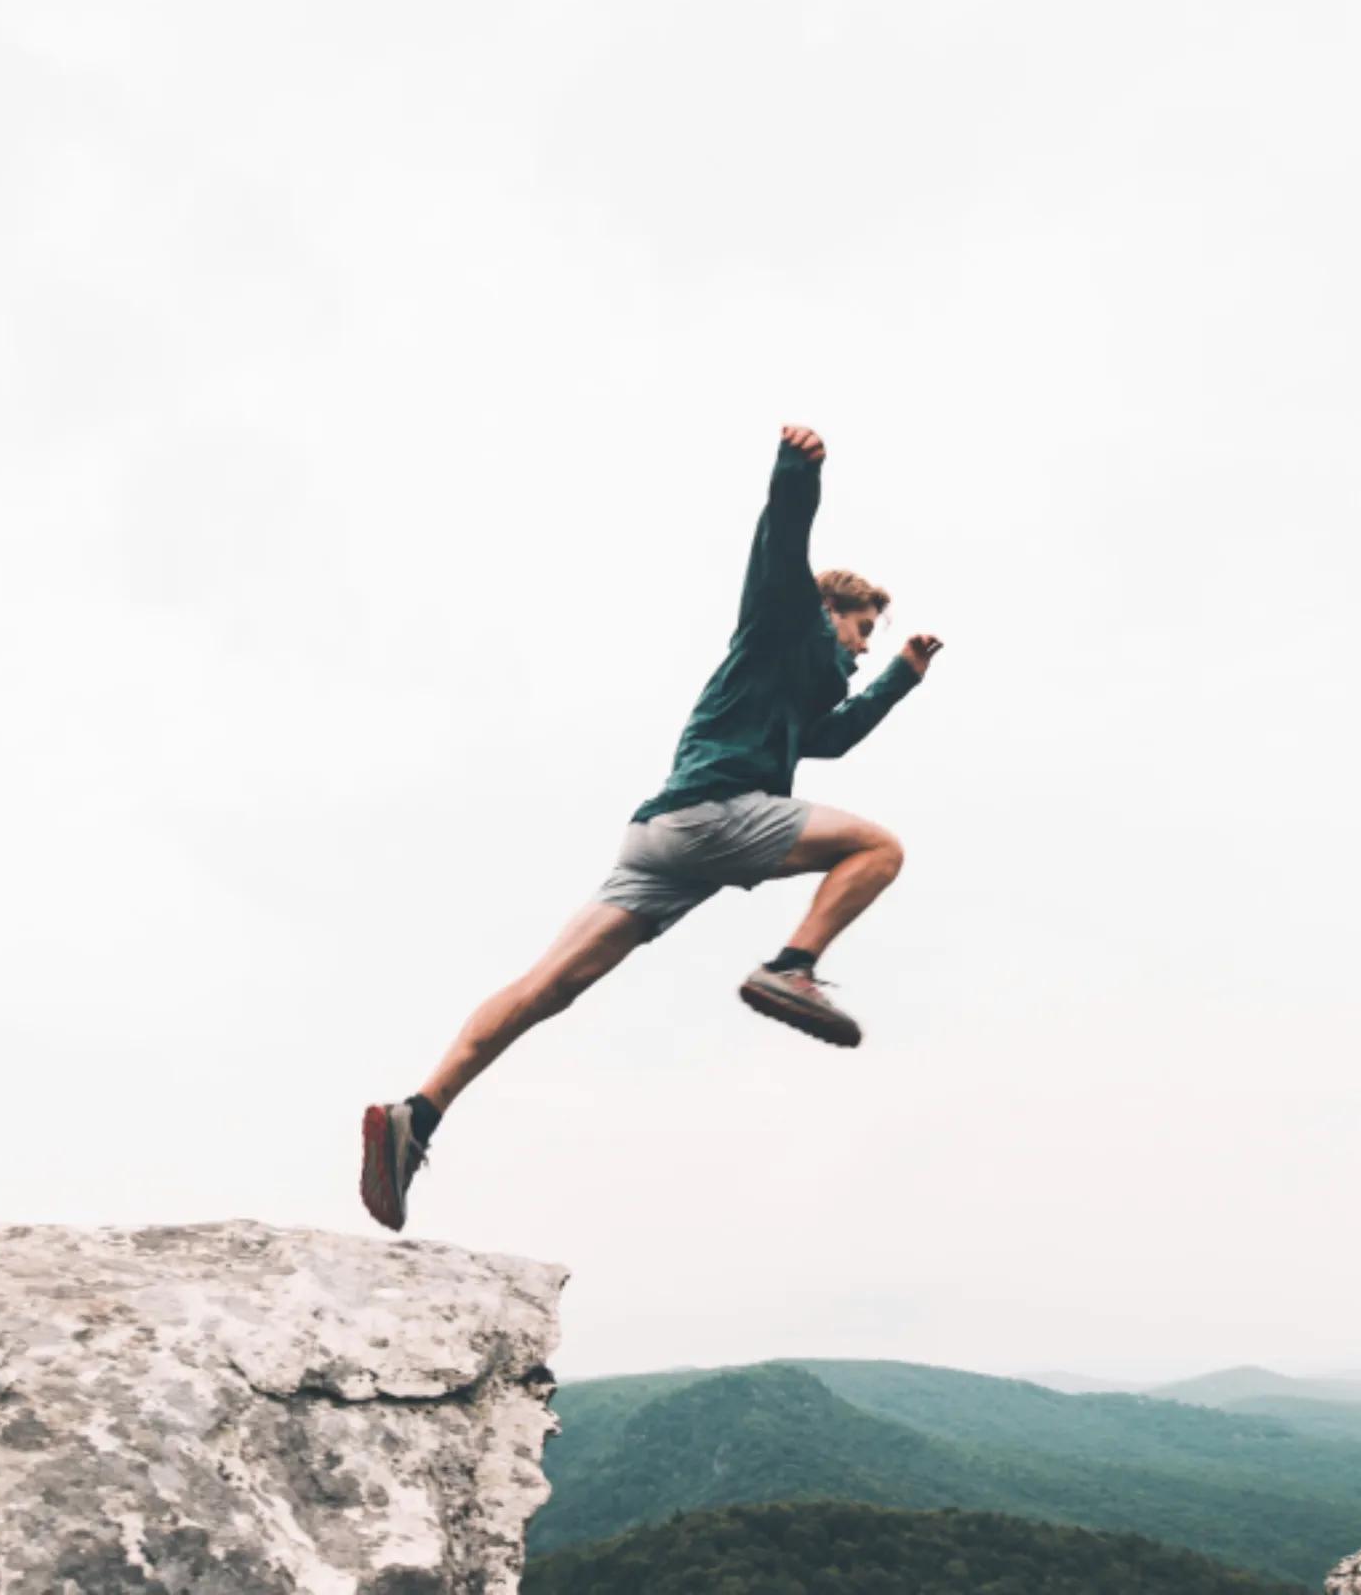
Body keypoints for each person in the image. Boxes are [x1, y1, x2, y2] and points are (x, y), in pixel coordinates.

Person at [361, 424, 942, 1231]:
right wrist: (796, 473)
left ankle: (415, 1114)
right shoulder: (784, 624)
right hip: (715, 813)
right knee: (878, 849)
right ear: (829, 612)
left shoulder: (797, 692)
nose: (862, 645)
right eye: (862, 630)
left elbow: (832, 737)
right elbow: (780, 547)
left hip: (662, 836)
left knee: (547, 987)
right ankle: (791, 966)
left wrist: (900, 679)